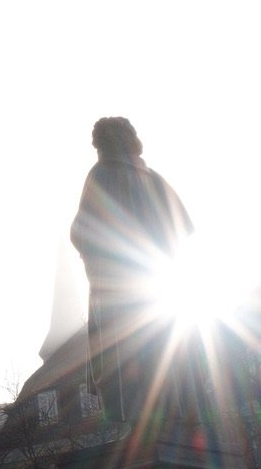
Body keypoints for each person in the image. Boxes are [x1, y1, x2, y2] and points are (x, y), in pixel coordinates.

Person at [70, 117, 193, 424]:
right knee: (163, 352)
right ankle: (172, 414)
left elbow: (83, 231)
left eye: (98, 145)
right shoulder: (155, 180)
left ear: (104, 145)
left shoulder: (101, 175)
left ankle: (139, 423)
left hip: (118, 287)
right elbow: (182, 230)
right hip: (160, 286)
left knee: (120, 358)